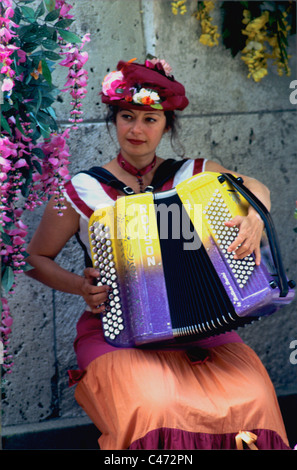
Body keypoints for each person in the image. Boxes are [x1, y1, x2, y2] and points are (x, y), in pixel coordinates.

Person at [25, 57, 290, 450]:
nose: (137, 129)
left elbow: (253, 185)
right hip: (117, 331)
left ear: (167, 125)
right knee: (152, 403)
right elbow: (35, 259)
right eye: (127, 116)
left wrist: (256, 212)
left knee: (255, 395)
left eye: (150, 119)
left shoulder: (195, 174)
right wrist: (81, 286)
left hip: (204, 328)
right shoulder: (82, 190)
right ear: (113, 121)